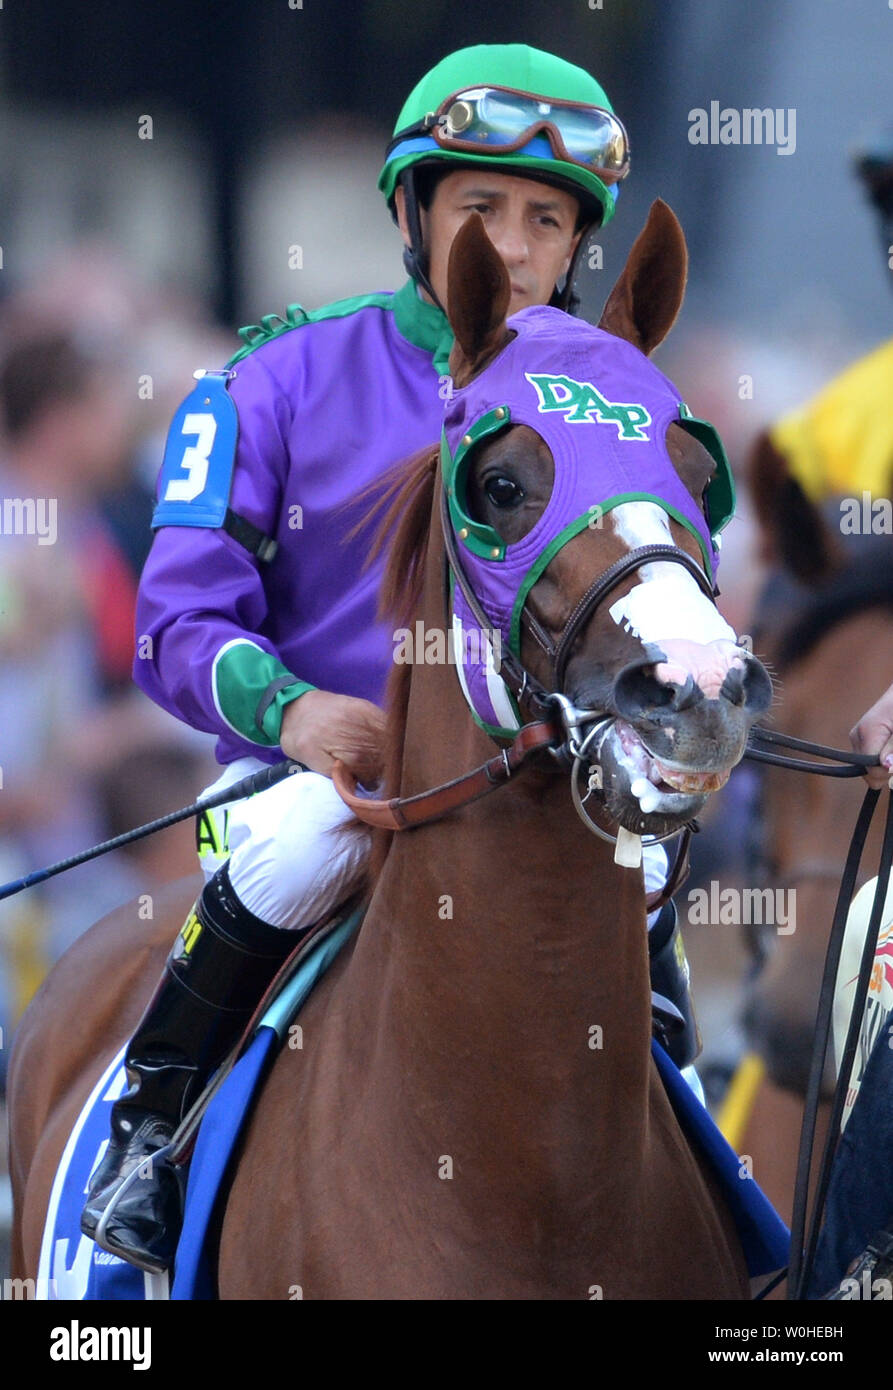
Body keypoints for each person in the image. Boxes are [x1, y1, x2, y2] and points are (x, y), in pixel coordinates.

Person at [80, 42, 646, 1273]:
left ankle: (700, 1157)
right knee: (296, 845)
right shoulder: (266, 379)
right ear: (412, 214)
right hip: (314, 790)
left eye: (544, 219)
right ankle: (148, 1133)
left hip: (543, 795)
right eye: (478, 209)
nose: (509, 244)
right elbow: (172, 626)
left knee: (639, 891)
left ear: (574, 246)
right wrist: (295, 716)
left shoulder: (611, 405)